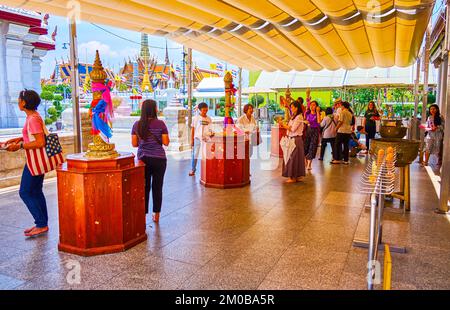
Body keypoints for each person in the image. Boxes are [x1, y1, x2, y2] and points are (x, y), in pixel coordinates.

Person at [2, 90, 49, 237]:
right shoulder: (34, 116)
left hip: (35, 161)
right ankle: (42, 224)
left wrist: (20, 146)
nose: (17, 101)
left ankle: (41, 224)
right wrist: (18, 139)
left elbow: (40, 142)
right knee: (35, 191)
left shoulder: (32, 119)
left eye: (19, 99)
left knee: (25, 192)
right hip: (36, 160)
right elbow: (32, 136)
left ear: (24, 102)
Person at [132, 99, 170, 223]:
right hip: (159, 159)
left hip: (144, 160)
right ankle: (156, 215)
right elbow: (166, 142)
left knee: (145, 187)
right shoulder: (161, 124)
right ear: (154, 109)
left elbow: (134, 144)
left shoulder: (136, 125)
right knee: (157, 187)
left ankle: (143, 216)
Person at [278, 100, 306, 183]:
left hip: (295, 139)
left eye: (292, 107)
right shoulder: (294, 116)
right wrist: (287, 125)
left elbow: (293, 129)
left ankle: (293, 177)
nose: (291, 108)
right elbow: (290, 126)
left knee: (293, 158)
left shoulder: (299, 117)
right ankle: (295, 176)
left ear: (296, 108)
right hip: (292, 139)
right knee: (294, 158)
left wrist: (283, 125)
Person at [189, 102, 213, 176]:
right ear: (200, 110)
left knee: (206, 155)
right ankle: (193, 169)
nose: (205, 112)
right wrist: (192, 140)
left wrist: (211, 134)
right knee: (195, 154)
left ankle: (207, 169)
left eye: (206, 110)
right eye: (203, 110)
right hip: (197, 139)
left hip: (206, 139)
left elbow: (210, 129)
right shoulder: (195, 118)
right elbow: (193, 129)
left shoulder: (209, 119)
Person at [304, 100, 322, 170]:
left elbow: (319, 122)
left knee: (312, 147)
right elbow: (304, 120)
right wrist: (305, 122)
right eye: (311, 105)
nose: (312, 106)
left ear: (317, 106)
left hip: (315, 132)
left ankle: (309, 165)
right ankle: (306, 163)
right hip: (308, 131)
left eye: (314, 105)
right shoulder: (307, 113)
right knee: (306, 147)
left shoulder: (318, 114)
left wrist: (317, 111)